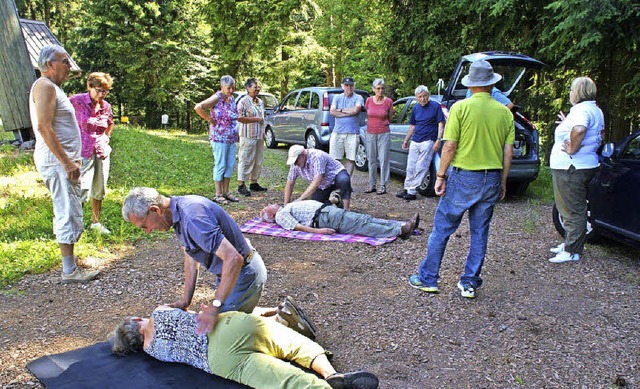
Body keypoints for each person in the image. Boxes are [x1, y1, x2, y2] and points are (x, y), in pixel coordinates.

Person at [408, 60, 514, 298]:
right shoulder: (504, 113)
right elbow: (508, 152)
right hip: (492, 177)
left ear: (472, 84)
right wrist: (503, 181)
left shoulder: (460, 108)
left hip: (463, 176)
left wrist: (440, 175)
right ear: (491, 84)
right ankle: (469, 282)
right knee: (480, 232)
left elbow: (450, 146)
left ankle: (428, 278)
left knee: (442, 228)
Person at [110, 305, 379, 389]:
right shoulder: (159, 312)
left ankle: (323, 388)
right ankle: (330, 373)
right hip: (227, 327)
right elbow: (190, 311)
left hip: (217, 360)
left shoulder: (151, 350)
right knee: (292, 343)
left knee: (282, 380)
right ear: (136, 320)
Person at [122, 187, 268, 334]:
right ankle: (275, 312)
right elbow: (191, 258)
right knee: (229, 319)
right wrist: (186, 301)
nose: (147, 231)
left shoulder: (193, 218)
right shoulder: (178, 212)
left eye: (145, 226)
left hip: (243, 274)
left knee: (220, 334)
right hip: (232, 274)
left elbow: (234, 259)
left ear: (155, 210)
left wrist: (215, 305)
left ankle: (278, 323)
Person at [29, 44, 100, 284]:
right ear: (50, 65)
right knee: (66, 210)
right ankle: (69, 271)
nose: (69, 67)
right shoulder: (45, 86)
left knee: (70, 206)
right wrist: (66, 161)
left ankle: (71, 261)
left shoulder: (52, 88)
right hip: (57, 162)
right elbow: (44, 127)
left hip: (63, 161)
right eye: (64, 62)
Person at [548, 77, 604, 263]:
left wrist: (572, 147)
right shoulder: (594, 109)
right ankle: (570, 243)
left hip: (571, 167)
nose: (570, 92)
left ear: (578, 92)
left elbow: (579, 129)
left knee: (572, 209)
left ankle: (572, 251)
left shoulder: (582, 110)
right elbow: (598, 133)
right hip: (584, 164)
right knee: (570, 207)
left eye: (572, 89)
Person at [70, 72, 114, 235]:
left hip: (101, 151)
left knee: (99, 187)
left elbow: (110, 123)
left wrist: (106, 138)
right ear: (89, 86)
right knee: (81, 187)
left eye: (105, 91)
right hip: (82, 150)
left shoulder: (106, 106)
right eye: (99, 90)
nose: (102, 94)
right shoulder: (76, 101)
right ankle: (77, 222)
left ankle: (96, 222)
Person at [260, 201, 418, 240]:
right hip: (324, 218)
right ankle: (400, 231)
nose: (270, 204)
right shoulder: (281, 216)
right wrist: (318, 232)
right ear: (272, 215)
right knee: (361, 225)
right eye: (268, 207)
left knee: (364, 219)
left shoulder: (285, 207)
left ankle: (402, 224)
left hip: (327, 212)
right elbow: (295, 226)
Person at [194, 75, 240, 205]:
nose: (231, 90)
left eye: (233, 88)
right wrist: (209, 119)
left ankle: (226, 192)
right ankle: (218, 194)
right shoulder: (217, 97)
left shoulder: (231, 99)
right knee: (220, 164)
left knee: (230, 164)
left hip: (231, 137)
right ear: (222, 87)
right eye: (228, 88)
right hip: (219, 137)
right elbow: (198, 107)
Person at [395, 85, 445, 201]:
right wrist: (406, 140)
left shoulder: (435, 106)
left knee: (421, 166)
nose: (423, 99)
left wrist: (438, 140)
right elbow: (413, 125)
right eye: (420, 97)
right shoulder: (416, 108)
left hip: (428, 140)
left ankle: (412, 191)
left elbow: (440, 124)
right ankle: (407, 188)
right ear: (417, 98)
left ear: (428, 95)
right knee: (410, 166)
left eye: (425, 96)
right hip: (416, 139)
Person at [284, 145, 353, 211]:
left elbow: (316, 182)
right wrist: (286, 205)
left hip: (335, 175)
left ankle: (346, 209)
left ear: (303, 155)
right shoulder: (295, 165)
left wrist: (300, 199)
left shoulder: (317, 156)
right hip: (323, 185)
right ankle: (336, 199)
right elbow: (290, 183)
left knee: (344, 180)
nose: (295, 164)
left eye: (296, 161)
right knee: (316, 207)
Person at [236, 78, 268, 197]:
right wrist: (255, 119)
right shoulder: (243, 102)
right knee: (246, 159)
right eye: (255, 87)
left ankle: (254, 182)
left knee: (258, 160)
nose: (258, 89)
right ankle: (241, 184)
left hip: (259, 135)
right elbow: (239, 118)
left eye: (258, 87)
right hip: (248, 135)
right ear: (248, 88)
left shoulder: (260, 101)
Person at [329, 77, 364, 176]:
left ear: (354, 86)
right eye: (346, 85)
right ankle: (338, 181)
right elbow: (332, 112)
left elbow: (356, 110)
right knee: (335, 159)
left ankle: (347, 182)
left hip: (352, 133)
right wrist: (348, 112)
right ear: (342, 86)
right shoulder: (337, 97)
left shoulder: (358, 97)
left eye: (351, 85)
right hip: (337, 132)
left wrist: (339, 110)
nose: (349, 87)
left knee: (351, 159)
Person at [364, 78, 393, 195]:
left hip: (384, 132)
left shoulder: (388, 101)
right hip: (370, 132)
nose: (380, 91)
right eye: (378, 88)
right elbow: (368, 113)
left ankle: (383, 185)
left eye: (382, 88)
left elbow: (390, 117)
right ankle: (372, 184)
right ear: (373, 89)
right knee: (371, 159)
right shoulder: (369, 101)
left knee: (384, 159)